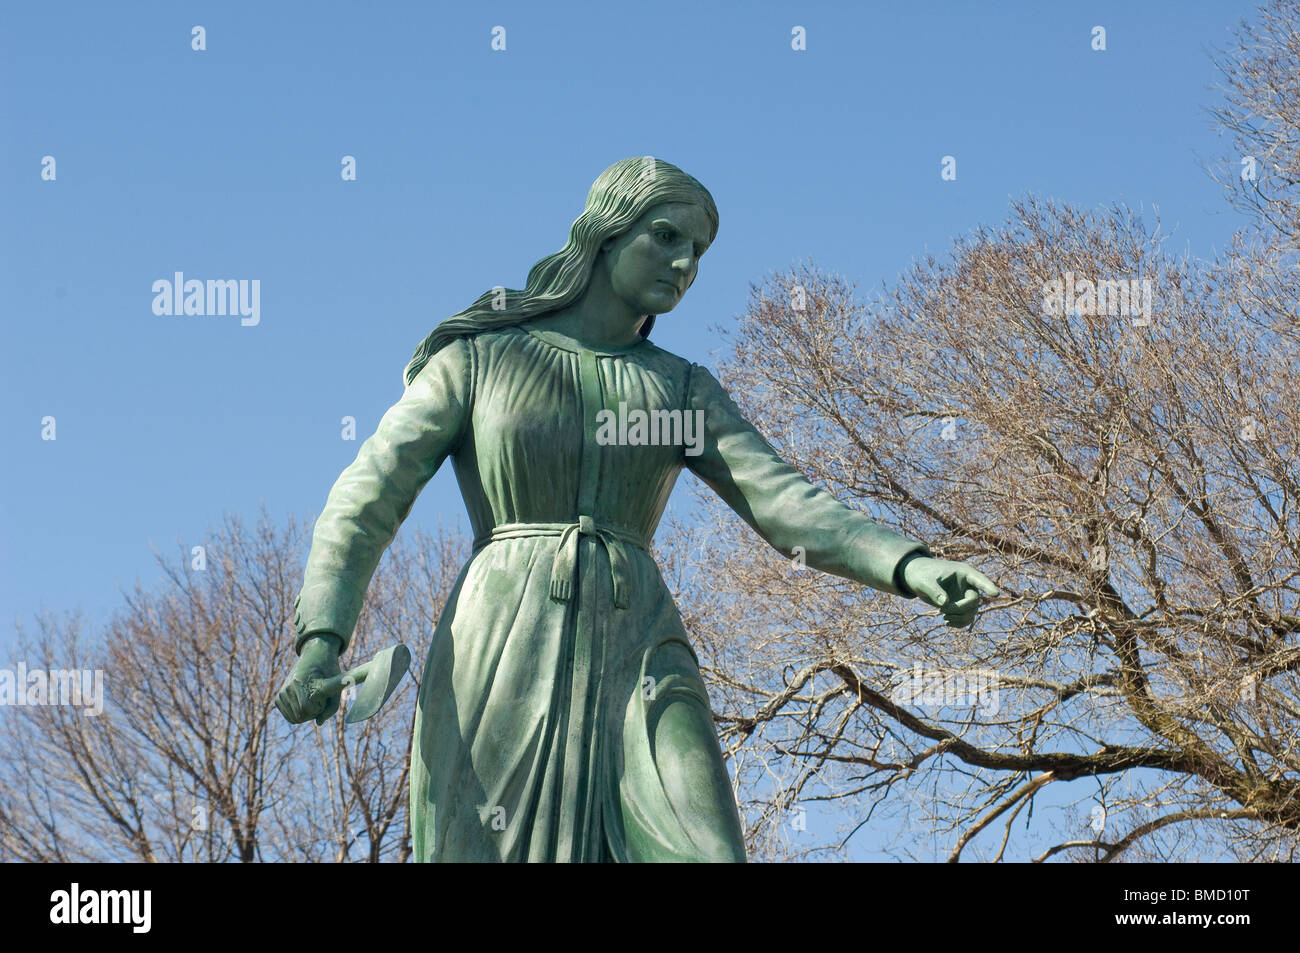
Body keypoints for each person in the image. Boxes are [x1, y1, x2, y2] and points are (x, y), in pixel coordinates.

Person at [274, 156, 999, 862]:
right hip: (501, 642)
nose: (684, 264)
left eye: (698, 251)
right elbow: (367, 495)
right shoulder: (478, 361)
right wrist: (323, 635)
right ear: (607, 232)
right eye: (666, 236)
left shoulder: (681, 389)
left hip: (640, 643)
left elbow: (786, 503)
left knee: (706, 847)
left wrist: (910, 564)